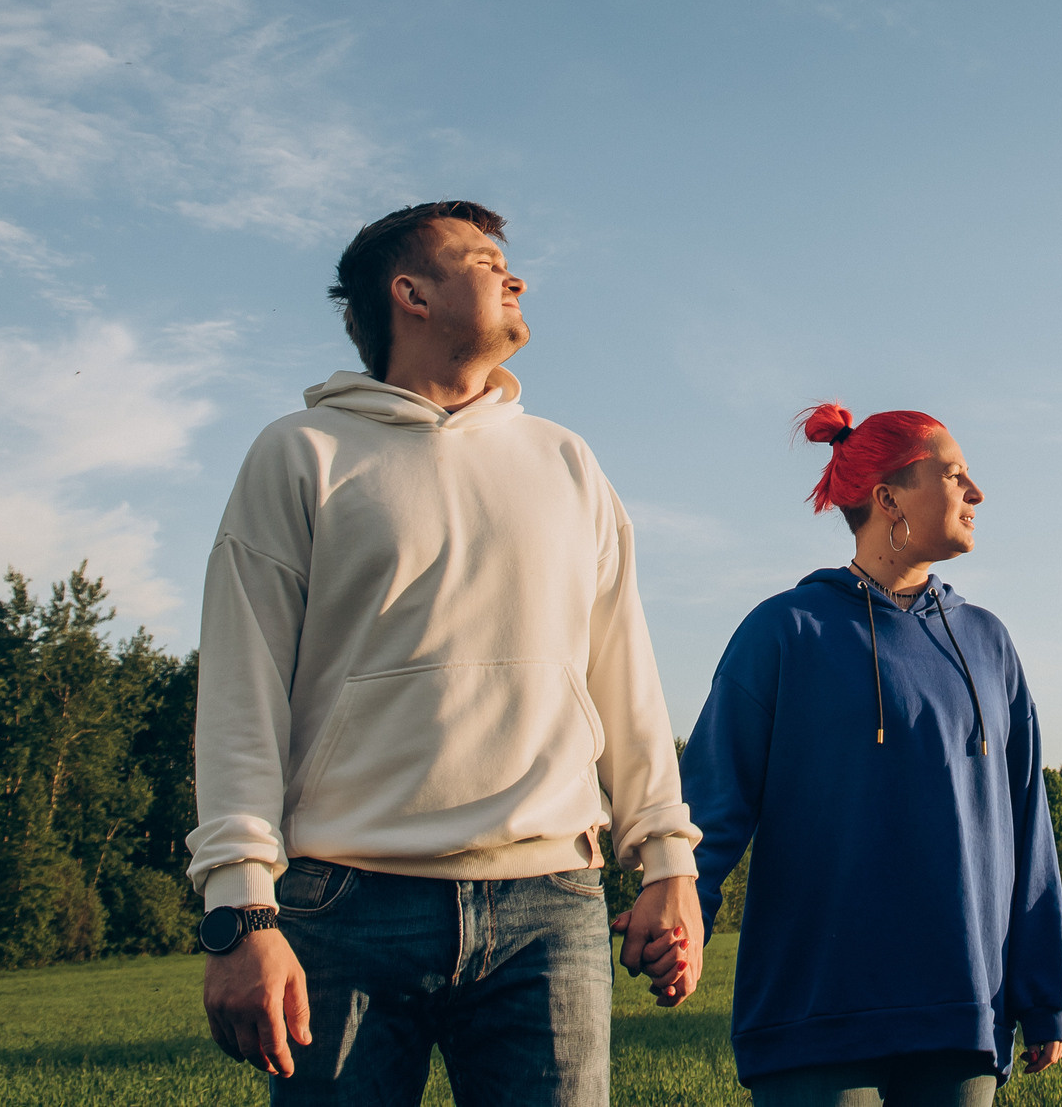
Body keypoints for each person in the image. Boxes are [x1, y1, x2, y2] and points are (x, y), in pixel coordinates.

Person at [186, 200, 704, 1105]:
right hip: (343, 907)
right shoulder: (299, 453)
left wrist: (668, 859)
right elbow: (240, 692)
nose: (517, 276)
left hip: (551, 903)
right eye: (485, 258)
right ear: (410, 292)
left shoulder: (568, 461)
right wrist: (240, 909)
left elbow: (625, 674)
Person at [678, 404, 1062, 1106]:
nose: (976, 492)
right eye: (954, 475)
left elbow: (1027, 823)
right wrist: (682, 911)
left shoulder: (988, 643)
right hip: (815, 1015)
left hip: (962, 1012)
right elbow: (711, 801)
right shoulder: (782, 632)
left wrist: (1045, 992)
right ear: (889, 498)